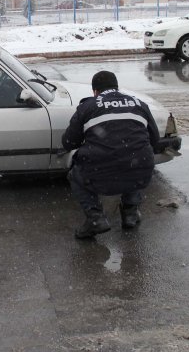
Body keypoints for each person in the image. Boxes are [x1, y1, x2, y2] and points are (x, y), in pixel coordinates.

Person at [62, 70, 160, 239]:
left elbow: (69, 142)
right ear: (116, 87)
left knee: (75, 173)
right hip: (140, 168)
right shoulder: (139, 104)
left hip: (101, 171)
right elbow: (155, 140)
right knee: (134, 160)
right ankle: (130, 213)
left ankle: (95, 218)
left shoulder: (88, 107)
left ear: (95, 91)